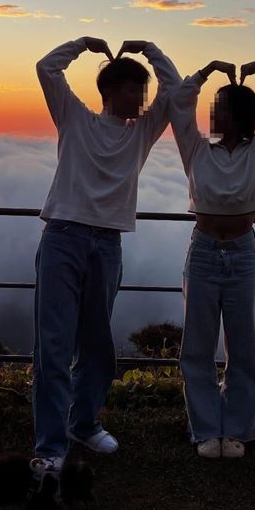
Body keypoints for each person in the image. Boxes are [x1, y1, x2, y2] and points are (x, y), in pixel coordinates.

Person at [32, 36, 181, 476]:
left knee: (98, 345)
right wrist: (82, 45)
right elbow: (46, 68)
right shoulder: (74, 118)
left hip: (108, 243)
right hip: (63, 237)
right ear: (110, 93)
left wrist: (152, 49)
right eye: (134, 89)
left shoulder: (142, 134)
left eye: (143, 90)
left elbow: (172, 90)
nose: (142, 97)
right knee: (54, 348)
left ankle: (83, 423)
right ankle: (49, 447)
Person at [170, 58, 255, 458]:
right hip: (204, 251)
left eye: (221, 107)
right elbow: (178, 104)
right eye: (213, 106)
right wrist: (205, 72)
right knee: (197, 347)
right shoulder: (195, 148)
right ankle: (207, 430)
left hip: (242, 254)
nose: (214, 114)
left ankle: (238, 432)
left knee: (243, 348)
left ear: (240, 114)